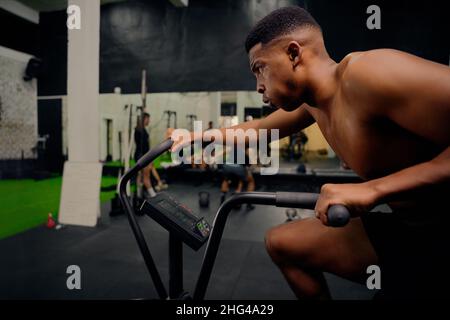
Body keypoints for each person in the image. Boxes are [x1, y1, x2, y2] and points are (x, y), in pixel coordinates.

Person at [168, 6, 450, 299]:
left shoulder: (367, 73)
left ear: (293, 53)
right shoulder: (314, 105)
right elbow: (259, 129)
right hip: (412, 228)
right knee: (283, 243)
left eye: (259, 68)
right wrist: (195, 137)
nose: (258, 86)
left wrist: (374, 189)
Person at [134, 113, 167, 199]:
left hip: (141, 155)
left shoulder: (140, 130)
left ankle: (138, 195)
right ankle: (153, 195)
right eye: (148, 119)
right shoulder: (140, 131)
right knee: (146, 176)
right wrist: (148, 159)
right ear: (144, 119)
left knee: (140, 175)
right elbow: (143, 146)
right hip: (142, 156)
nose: (149, 121)